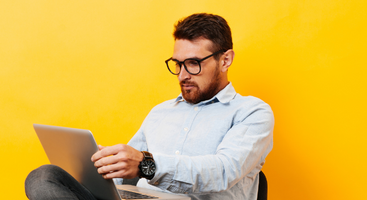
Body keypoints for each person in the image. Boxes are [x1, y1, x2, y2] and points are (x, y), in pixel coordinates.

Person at [25, 13, 274, 200]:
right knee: (43, 177)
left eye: (193, 63)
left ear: (225, 59)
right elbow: (129, 173)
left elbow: (223, 171)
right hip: (134, 199)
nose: (183, 75)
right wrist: (108, 164)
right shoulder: (161, 112)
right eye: (178, 64)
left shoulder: (252, 112)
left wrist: (146, 164)